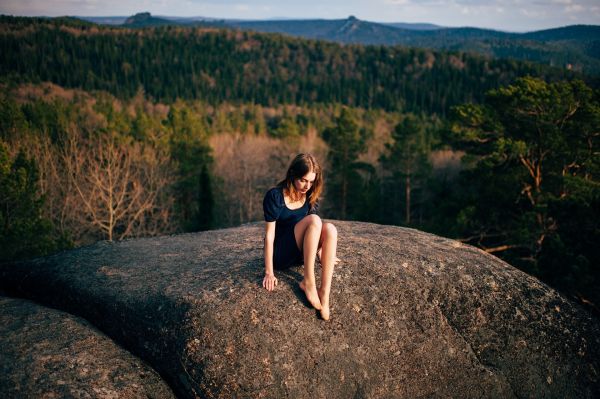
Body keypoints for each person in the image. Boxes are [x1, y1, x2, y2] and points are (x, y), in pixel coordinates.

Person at [262, 153, 339, 320]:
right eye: (303, 180)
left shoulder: (310, 196)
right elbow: (269, 236)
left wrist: (323, 253)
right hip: (281, 253)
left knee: (331, 229)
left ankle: (324, 295)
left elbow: (314, 232)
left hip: (301, 252)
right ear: (293, 174)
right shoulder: (275, 196)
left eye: (311, 182)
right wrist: (269, 272)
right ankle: (308, 282)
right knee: (314, 220)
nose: (307, 186)